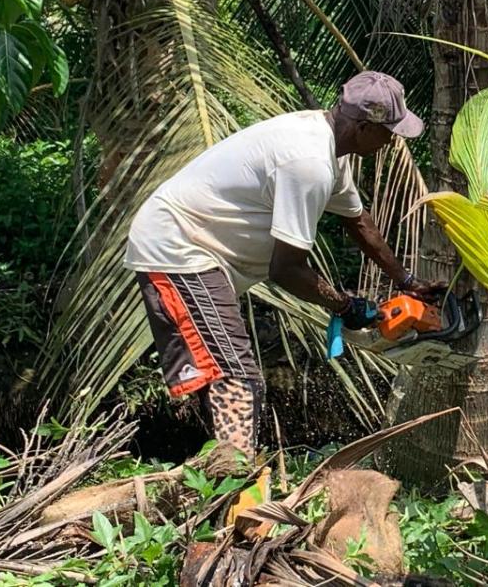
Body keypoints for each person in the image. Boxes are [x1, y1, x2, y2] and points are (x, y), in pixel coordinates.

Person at [125, 71, 435, 464]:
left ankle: (222, 477)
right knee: (237, 378)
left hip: (199, 256)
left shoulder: (328, 146)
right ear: (362, 127)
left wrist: (406, 281)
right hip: (179, 250)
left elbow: (358, 221)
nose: (392, 140)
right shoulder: (308, 163)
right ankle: (231, 483)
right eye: (389, 131)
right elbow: (286, 269)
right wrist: (344, 306)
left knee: (228, 375)